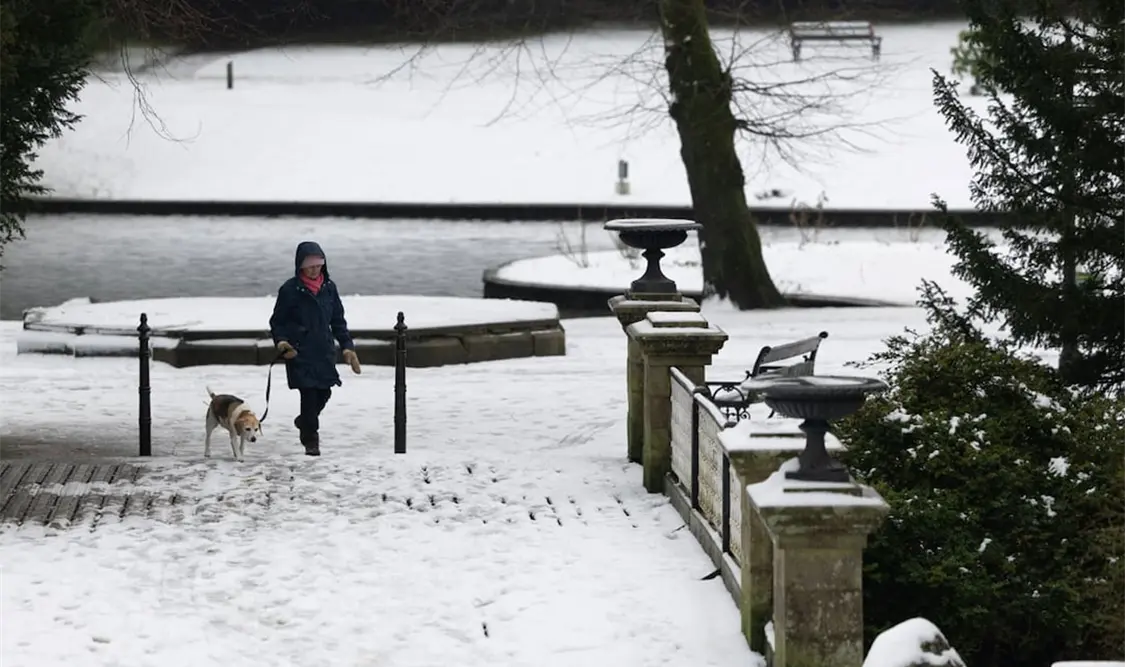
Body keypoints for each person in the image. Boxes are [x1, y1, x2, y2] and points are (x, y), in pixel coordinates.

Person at [269, 241, 361, 456]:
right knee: (309, 395)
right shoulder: (290, 290)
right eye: (310, 265)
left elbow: (338, 320)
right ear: (300, 266)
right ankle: (311, 440)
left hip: (324, 351)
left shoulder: (329, 288)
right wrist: (282, 342)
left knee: (324, 392)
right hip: (299, 352)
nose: (315, 269)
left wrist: (347, 347)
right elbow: (278, 322)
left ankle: (304, 421)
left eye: (319, 265)